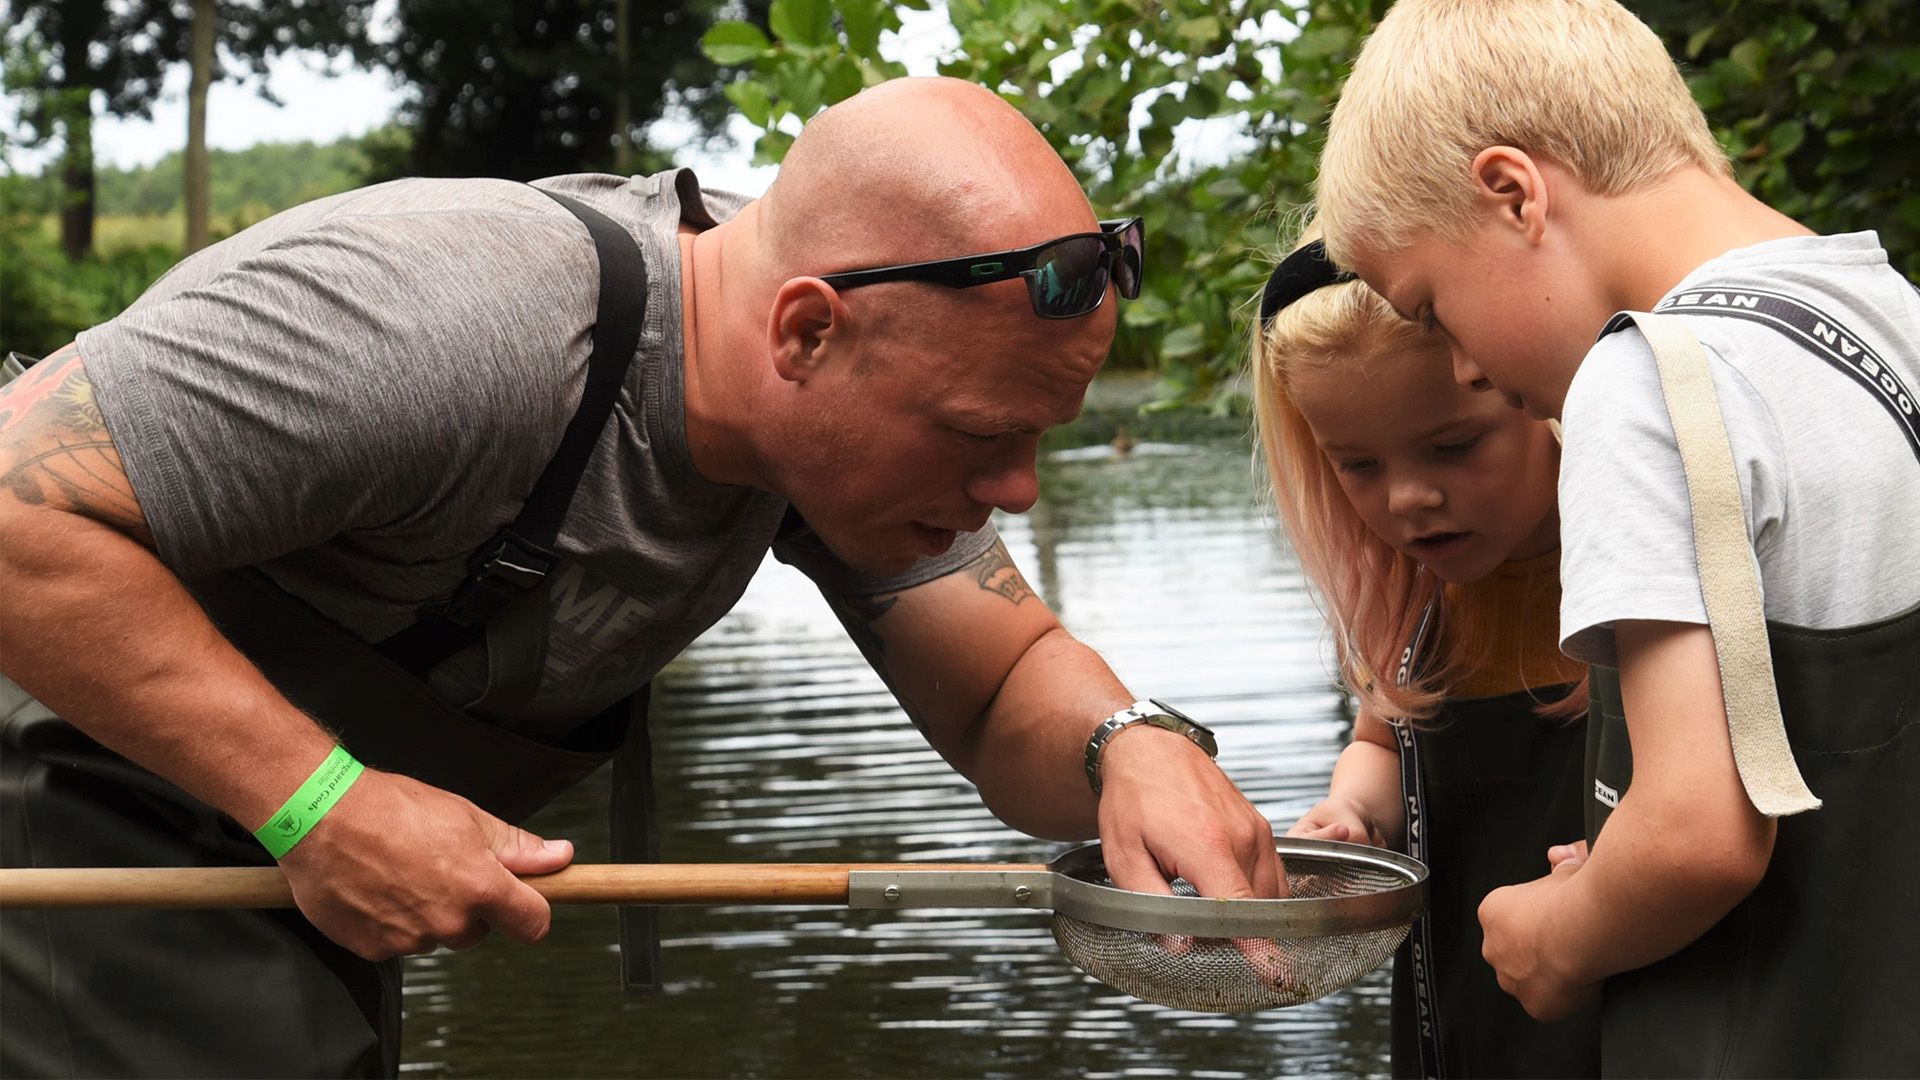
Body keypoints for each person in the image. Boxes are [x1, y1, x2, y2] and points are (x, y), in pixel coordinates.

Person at [0, 77, 1282, 1077]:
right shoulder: (449, 323)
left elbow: (1002, 686)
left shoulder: (836, 413)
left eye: (1036, 435)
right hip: (78, 780)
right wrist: (319, 804)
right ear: (807, 331)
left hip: (265, 837)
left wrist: (1131, 743)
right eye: (974, 435)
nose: (1017, 491)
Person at [1312, 1, 1920, 1075]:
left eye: (1436, 308)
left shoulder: (1643, 380)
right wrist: (1610, 864)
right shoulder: (1890, 323)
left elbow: (1698, 836)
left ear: (1512, 194)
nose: (1459, 366)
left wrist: (1560, 932)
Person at [1253, 222, 1597, 1078]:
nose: (1409, 496)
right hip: (1460, 1023)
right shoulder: (1419, 611)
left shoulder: (1635, 577)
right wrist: (1350, 816)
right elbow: (1383, 744)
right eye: (1357, 463)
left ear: (1536, 395)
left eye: (1453, 446)